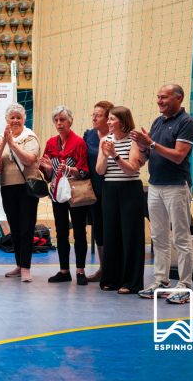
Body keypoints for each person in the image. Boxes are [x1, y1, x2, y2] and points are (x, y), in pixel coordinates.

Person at [131, 84, 193, 304]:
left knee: (181, 238)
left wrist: (151, 143)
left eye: (164, 97)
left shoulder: (187, 122)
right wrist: (142, 146)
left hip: (176, 187)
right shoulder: (158, 122)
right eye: (158, 97)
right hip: (155, 186)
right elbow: (150, 154)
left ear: (179, 98)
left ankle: (185, 285)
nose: (159, 101)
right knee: (159, 237)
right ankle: (161, 281)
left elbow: (178, 156)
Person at [95, 106, 146, 294]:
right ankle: (111, 279)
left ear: (123, 121)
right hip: (110, 190)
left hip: (129, 190)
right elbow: (100, 170)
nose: (108, 122)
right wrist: (105, 154)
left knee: (130, 236)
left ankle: (131, 282)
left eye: (112, 119)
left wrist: (115, 155)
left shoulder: (133, 141)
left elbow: (132, 169)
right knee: (111, 234)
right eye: (108, 118)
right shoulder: (105, 140)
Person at [0, 103, 41, 283]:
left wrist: (12, 144)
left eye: (18, 117)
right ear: (7, 120)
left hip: (27, 188)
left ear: (24, 119)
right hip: (8, 187)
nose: (15, 120)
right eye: (12, 117)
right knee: (15, 227)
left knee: (26, 228)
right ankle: (19, 264)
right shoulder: (0, 139)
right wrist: (5, 141)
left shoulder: (30, 137)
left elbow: (29, 160)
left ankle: (26, 268)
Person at [40, 105, 90, 285]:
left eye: (62, 120)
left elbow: (84, 171)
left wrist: (69, 169)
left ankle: (80, 271)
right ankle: (64, 271)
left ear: (70, 121)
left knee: (79, 231)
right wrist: (47, 169)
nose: (59, 123)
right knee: (61, 232)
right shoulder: (50, 143)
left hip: (76, 192)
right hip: (57, 193)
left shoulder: (79, 143)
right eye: (56, 120)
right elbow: (47, 175)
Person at [82, 100, 113, 282]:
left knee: (113, 230)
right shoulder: (89, 135)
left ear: (108, 119)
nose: (94, 118)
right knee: (99, 230)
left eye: (98, 115)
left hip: (112, 189)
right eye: (93, 114)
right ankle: (104, 269)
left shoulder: (116, 136)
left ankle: (116, 269)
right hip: (94, 191)